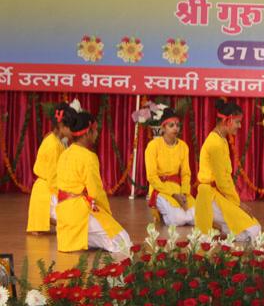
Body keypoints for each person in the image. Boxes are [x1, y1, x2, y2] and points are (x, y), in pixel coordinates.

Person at [56, 110, 131, 252]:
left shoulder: (64, 153)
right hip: (79, 213)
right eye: (95, 131)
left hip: (64, 213)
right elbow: (96, 192)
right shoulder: (89, 157)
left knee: (106, 231)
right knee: (123, 241)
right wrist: (108, 214)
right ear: (87, 133)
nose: (97, 134)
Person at [195, 99, 260, 241]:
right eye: (237, 122)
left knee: (252, 230)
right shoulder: (215, 143)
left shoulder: (221, 140)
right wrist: (238, 203)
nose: (240, 126)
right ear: (228, 121)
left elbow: (225, 180)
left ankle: (223, 230)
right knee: (254, 231)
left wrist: (235, 202)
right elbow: (222, 181)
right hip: (210, 197)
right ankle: (221, 229)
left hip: (220, 195)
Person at [26, 102, 74, 234]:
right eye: (71, 127)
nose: (73, 131)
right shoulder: (53, 145)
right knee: (73, 224)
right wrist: (65, 194)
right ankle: (49, 216)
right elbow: (53, 176)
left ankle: (50, 217)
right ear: (62, 126)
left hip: (49, 187)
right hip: (47, 191)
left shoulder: (56, 141)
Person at [145, 107, 195, 226]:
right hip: (160, 189)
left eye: (177, 125)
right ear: (163, 128)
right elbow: (151, 176)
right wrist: (173, 194)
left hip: (178, 188)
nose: (175, 128)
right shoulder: (153, 146)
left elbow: (186, 173)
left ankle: (173, 212)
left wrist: (184, 192)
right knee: (177, 221)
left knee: (197, 218)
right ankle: (162, 213)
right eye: (171, 125)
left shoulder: (183, 146)